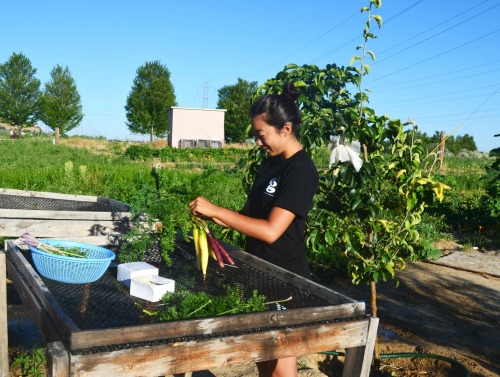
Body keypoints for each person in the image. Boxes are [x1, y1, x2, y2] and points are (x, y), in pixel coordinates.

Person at [189, 82, 319, 377]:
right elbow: (247, 219)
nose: (259, 143)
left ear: (286, 129)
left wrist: (216, 210)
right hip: (258, 272)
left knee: (281, 370)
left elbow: (272, 230)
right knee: (261, 357)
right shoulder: (270, 164)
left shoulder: (301, 171)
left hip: (286, 279)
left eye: (262, 135)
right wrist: (209, 217)